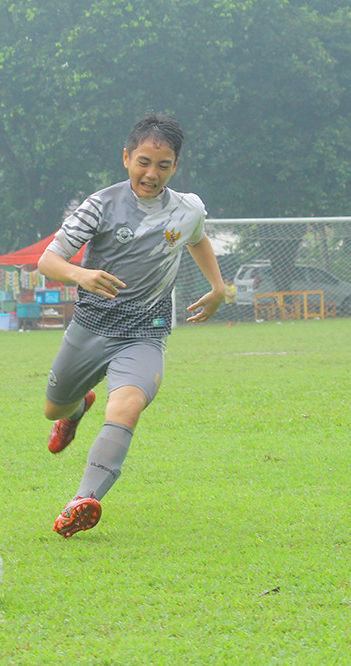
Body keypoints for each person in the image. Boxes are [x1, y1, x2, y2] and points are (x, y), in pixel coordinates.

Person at [38, 113, 225, 539]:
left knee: (126, 407)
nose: (151, 173)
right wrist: (82, 275)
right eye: (143, 161)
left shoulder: (187, 208)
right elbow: (48, 260)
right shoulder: (100, 205)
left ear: (175, 166)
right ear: (126, 158)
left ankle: (82, 500)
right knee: (54, 408)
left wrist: (217, 287)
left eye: (163, 165)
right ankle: (77, 408)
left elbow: (197, 237)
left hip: (146, 331)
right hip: (90, 326)